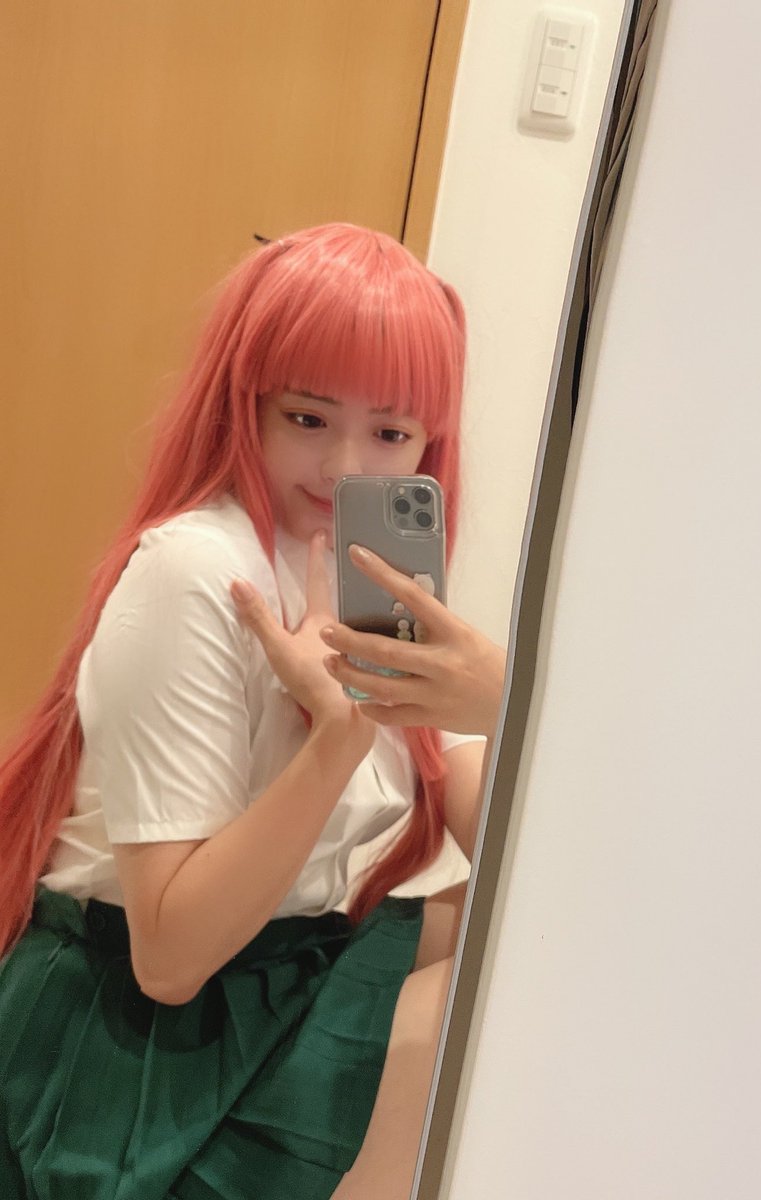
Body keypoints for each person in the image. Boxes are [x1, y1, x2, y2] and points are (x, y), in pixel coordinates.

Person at [0, 223, 506, 1200]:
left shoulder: (360, 574)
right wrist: (336, 741)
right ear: (245, 403)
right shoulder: (199, 572)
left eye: (390, 434)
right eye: (308, 418)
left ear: (427, 446)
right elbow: (169, 959)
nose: (345, 466)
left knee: (521, 953)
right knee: (490, 987)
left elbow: (531, 878)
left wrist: (504, 702)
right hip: (137, 1052)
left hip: (272, 981)